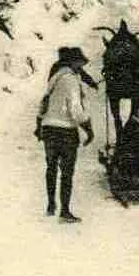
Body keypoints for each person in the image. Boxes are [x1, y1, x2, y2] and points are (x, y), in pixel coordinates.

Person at [38, 46, 96, 223]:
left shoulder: (54, 78)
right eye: (80, 62)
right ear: (73, 62)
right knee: (67, 172)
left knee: (51, 167)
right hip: (65, 131)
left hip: (49, 128)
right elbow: (76, 110)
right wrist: (88, 128)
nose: (81, 65)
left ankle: (50, 204)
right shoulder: (71, 80)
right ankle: (64, 211)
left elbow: (43, 103)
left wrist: (40, 123)